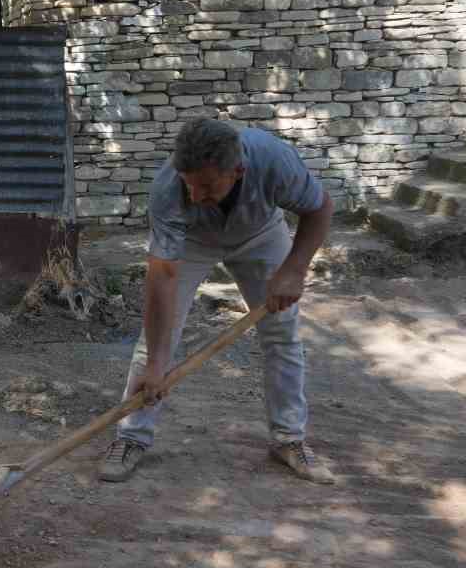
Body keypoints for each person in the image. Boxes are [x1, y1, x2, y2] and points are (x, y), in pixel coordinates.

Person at [98, 117, 336, 485]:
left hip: (261, 233)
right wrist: (159, 364)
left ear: (238, 171)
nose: (194, 196)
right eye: (189, 185)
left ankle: (289, 439)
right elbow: (162, 274)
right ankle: (131, 437)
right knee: (154, 346)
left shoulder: (274, 160)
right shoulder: (169, 189)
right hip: (193, 241)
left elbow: (320, 208)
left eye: (206, 186)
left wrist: (294, 270)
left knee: (282, 334)